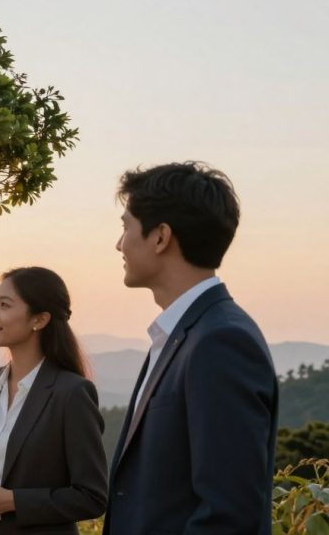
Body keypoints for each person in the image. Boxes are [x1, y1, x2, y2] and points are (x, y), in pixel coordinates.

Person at [105, 161, 278, 534]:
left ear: (160, 237)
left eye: (125, 227)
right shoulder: (182, 335)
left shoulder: (220, 342)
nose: (119, 243)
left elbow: (229, 513)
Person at [0, 267, 107, 535]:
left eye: (4, 305)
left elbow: (92, 497)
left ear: (40, 319)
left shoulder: (72, 393)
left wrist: (12, 501)